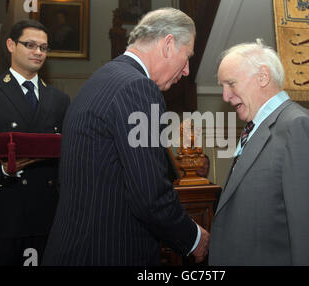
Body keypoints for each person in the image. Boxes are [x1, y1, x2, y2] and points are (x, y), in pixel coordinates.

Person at [42, 8, 209, 266]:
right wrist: (193, 237)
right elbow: (149, 195)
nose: (186, 70)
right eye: (186, 57)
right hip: (108, 252)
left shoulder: (102, 78)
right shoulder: (138, 87)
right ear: (168, 44)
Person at [209, 39, 309, 266]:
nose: (225, 96)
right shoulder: (255, 128)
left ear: (263, 77)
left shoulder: (298, 126)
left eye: (231, 83)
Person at [0, 20, 70, 266]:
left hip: (46, 216)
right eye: (30, 45)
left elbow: (66, 155)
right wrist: (4, 168)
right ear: (11, 45)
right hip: (1, 216)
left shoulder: (59, 99)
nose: (38, 52)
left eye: (43, 47)